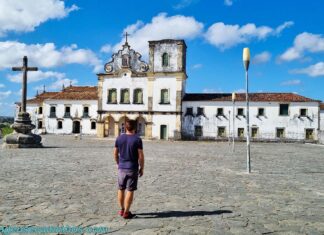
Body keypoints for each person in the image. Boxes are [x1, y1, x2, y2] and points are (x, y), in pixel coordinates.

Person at [114, 119, 144, 219]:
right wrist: (142, 167)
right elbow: (141, 155)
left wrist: (118, 163)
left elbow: (115, 153)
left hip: (121, 168)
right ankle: (127, 212)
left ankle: (122, 209)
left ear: (125, 127)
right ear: (134, 128)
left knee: (121, 188)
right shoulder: (137, 139)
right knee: (130, 190)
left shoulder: (119, 138)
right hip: (132, 168)